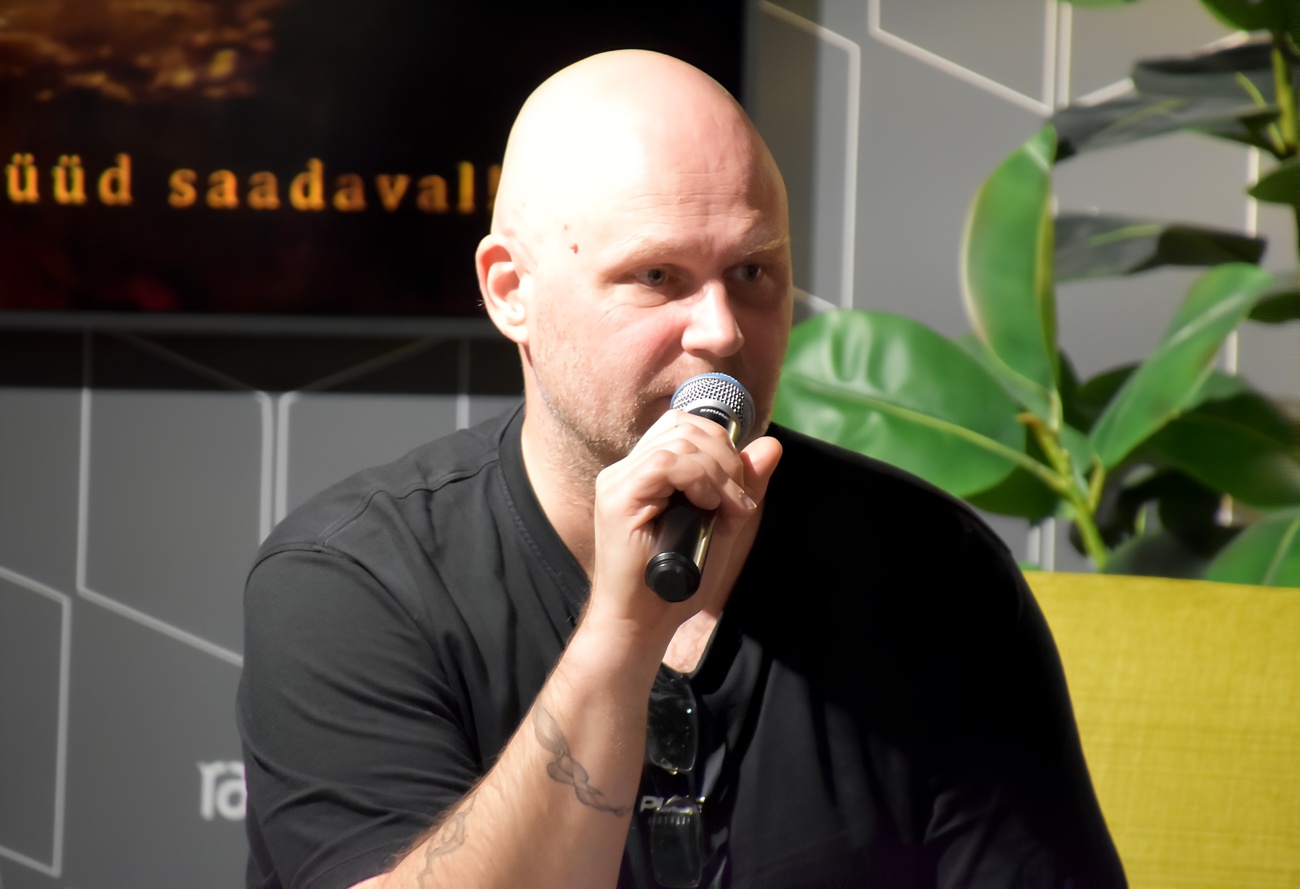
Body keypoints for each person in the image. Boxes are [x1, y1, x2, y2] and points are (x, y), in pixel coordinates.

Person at [237, 49, 1126, 889]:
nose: (722, 331)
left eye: (753, 271)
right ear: (511, 290)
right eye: (657, 275)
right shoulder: (352, 581)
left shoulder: (931, 571)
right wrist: (623, 636)